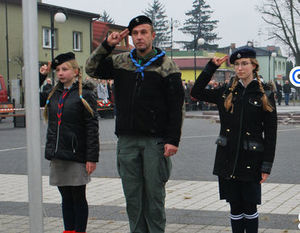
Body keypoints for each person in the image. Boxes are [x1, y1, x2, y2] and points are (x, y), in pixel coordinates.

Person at [85, 15, 184, 233]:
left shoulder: (167, 66)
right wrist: (107, 46)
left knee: (154, 197)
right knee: (132, 197)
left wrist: (172, 140)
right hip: (128, 141)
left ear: (152, 35)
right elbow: (91, 69)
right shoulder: (121, 62)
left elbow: (177, 107)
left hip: (155, 143)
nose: (139, 37)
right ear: (131, 37)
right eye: (135, 34)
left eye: (143, 32)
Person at [191, 47, 277, 233]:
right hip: (228, 157)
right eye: (237, 64)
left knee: (250, 206)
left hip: (251, 159)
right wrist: (210, 68)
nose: (240, 68)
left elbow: (271, 133)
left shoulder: (265, 94)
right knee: (235, 206)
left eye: (244, 63)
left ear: (254, 66)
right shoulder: (226, 92)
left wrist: (267, 165)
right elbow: (196, 92)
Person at [40, 52, 99, 233]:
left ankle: (79, 230)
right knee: (65, 197)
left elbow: (92, 127)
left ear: (75, 71)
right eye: (57, 70)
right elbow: (31, 97)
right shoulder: (53, 94)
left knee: (78, 197)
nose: (60, 73)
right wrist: (41, 75)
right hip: (58, 154)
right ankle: (69, 230)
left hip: (76, 155)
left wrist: (91, 158)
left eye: (65, 69)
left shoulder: (85, 95)